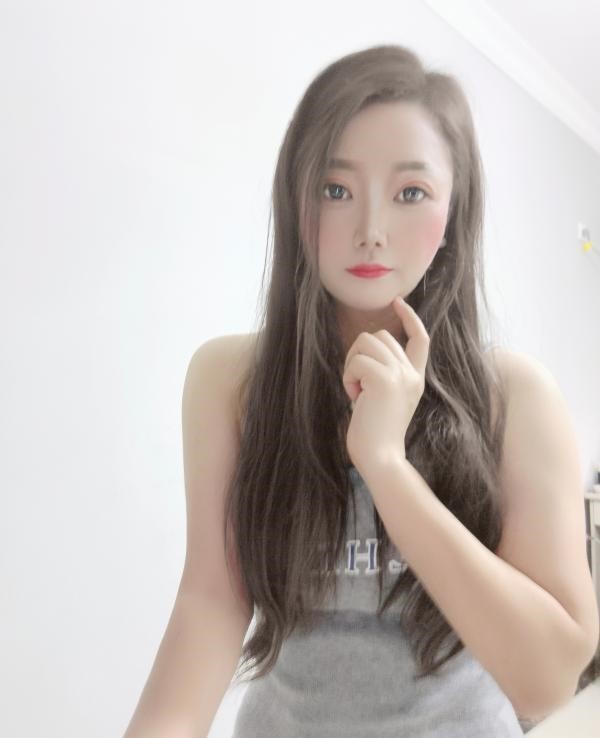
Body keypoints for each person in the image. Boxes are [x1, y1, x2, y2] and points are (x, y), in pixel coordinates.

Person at [123, 44, 599, 738]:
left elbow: (548, 678)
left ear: (453, 211)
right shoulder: (231, 381)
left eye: (410, 193)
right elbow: (211, 602)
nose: (370, 231)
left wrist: (386, 467)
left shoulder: (514, 396)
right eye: (335, 189)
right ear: (296, 199)